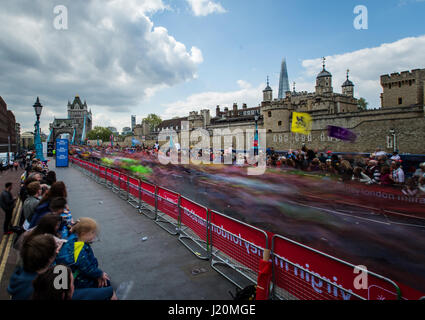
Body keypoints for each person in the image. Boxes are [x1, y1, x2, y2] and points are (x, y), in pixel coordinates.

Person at [56, 218, 111, 289]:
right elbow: (86, 268)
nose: (94, 235)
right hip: (78, 279)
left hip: (75, 274)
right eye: (92, 232)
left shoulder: (74, 239)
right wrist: (99, 274)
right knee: (106, 283)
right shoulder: (79, 249)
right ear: (83, 233)